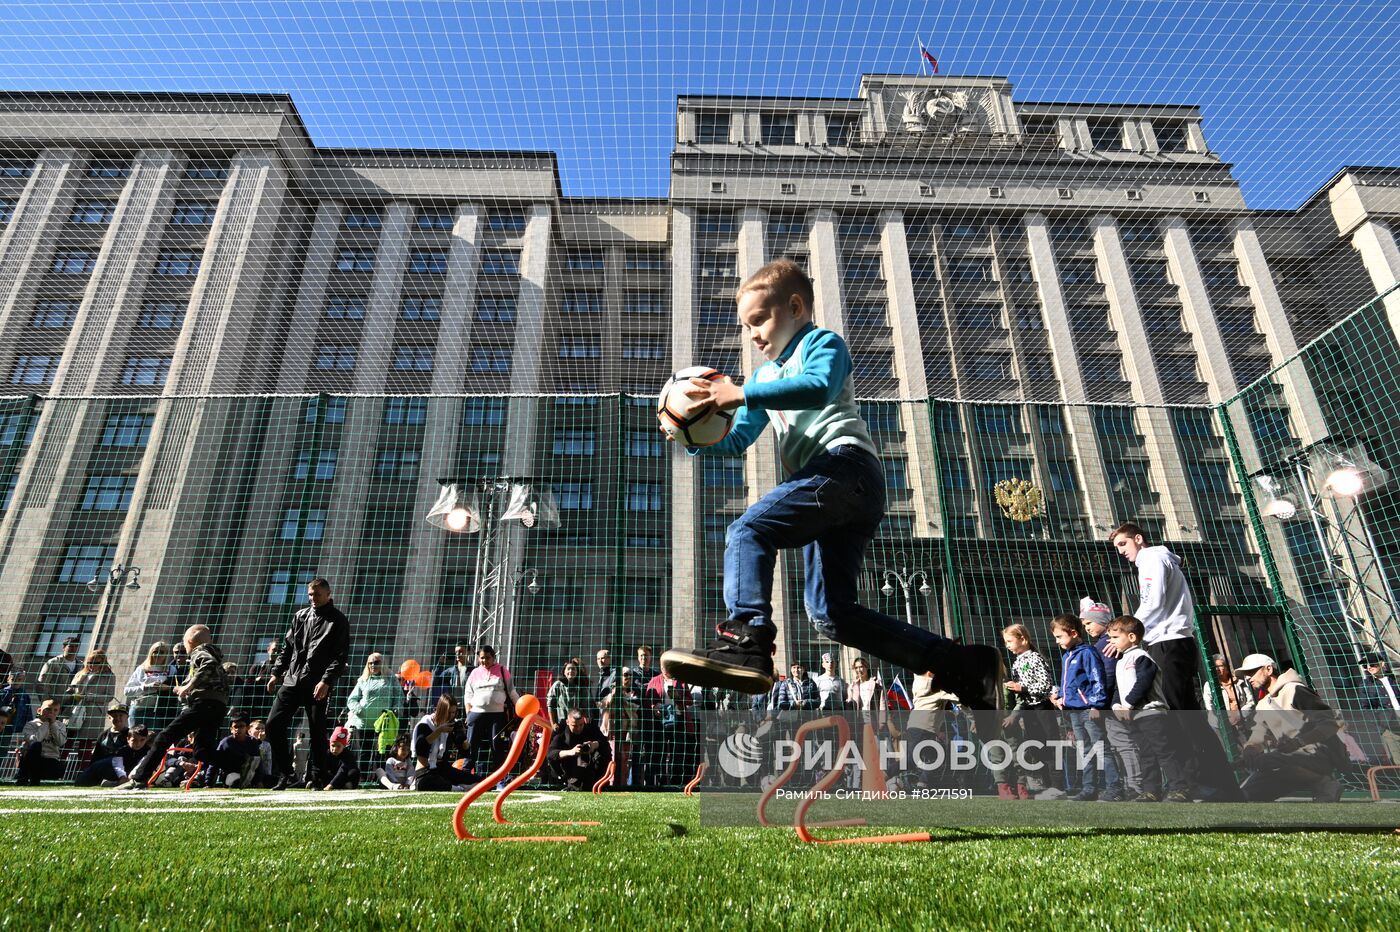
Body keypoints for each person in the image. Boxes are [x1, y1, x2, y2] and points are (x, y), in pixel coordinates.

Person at [658, 260, 1002, 709]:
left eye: (760, 319)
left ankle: (747, 638)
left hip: (844, 469)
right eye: (747, 327)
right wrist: (690, 433)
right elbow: (739, 436)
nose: (754, 334)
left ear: (796, 307)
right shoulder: (763, 377)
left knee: (748, 530)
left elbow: (819, 387)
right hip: (829, 491)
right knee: (831, 615)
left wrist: (739, 393)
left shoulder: (821, 343)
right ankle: (962, 665)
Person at [115, 625, 230, 791]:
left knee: (163, 737)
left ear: (189, 642)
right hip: (218, 706)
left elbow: (208, 665)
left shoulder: (199, 651)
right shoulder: (214, 654)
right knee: (202, 751)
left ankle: (139, 779)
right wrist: (184, 689)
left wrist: (187, 687)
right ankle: (242, 761)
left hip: (204, 704)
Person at [264, 577, 350, 790]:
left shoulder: (338, 620)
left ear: (328, 595)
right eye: (310, 594)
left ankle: (317, 778)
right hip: (292, 680)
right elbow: (288, 648)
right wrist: (276, 673)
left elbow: (340, 656)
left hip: (317, 684)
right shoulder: (300, 616)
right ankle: (287, 774)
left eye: (317, 594)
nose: (312, 598)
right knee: (273, 725)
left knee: (317, 731)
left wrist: (326, 681)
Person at [1235, 654, 1346, 803]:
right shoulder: (1262, 704)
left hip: (1319, 754)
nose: (1248, 678)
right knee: (1245, 794)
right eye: (1245, 675)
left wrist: (1298, 742)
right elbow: (1259, 734)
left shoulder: (1295, 690)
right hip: (1286, 760)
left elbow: (1330, 724)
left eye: (1251, 672)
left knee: (1267, 761)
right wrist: (1250, 748)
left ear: (1268, 669)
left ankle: (1325, 784)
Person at [1106, 616, 1191, 803]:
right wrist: (1116, 705)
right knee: (1146, 753)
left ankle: (1180, 788)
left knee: (1163, 751)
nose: (1110, 641)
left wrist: (1127, 704)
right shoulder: (1121, 661)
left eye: (1114, 637)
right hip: (1135, 716)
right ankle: (1151, 790)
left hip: (1151, 714)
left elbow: (1143, 682)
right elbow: (1118, 688)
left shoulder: (1142, 657)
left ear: (1132, 637)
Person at [1048, 615, 1109, 801]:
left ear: (1073, 633)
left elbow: (1096, 679)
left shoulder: (1087, 653)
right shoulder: (1068, 655)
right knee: (1085, 749)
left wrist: (1096, 705)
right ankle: (1089, 788)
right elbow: (1072, 684)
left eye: (1059, 637)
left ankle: (1114, 787)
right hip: (1074, 712)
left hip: (1088, 710)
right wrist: (1061, 698)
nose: (1057, 642)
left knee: (1101, 748)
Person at [999, 624, 1056, 799]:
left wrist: (1021, 687)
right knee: (1035, 746)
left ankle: (1056, 785)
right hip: (1029, 709)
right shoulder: (1018, 661)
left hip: (1041, 708)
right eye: (1005, 642)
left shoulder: (1034, 658)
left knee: (1048, 745)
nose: (1007, 645)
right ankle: (1044, 785)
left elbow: (1045, 685)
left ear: (1023, 639)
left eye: (1010, 641)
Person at [1078, 599, 1124, 802]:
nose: (1087, 628)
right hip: (1104, 703)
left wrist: (1097, 703)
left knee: (1114, 746)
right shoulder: (1100, 644)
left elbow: (1105, 674)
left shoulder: (1105, 644)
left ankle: (1121, 787)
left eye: (1089, 623)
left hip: (1108, 704)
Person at [463, 645, 519, 782]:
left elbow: (512, 691)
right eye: (482, 658)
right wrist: (468, 714)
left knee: (497, 746)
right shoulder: (474, 673)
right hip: (476, 714)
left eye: (487, 658)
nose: (484, 661)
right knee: (472, 744)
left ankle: (500, 777)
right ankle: (465, 774)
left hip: (497, 715)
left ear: (493, 657)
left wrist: (520, 707)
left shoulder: (502, 670)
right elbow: (468, 695)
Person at [344, 652, 399, 771]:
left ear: (383, 663)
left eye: (376, 662)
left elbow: (398, 696)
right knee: (365, 752)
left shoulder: (391, 679)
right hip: (364, 722)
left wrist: (396, 709)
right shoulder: (363, 680)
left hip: (383, 722)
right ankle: (363, 779)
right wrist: (359, 710)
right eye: (370, 663)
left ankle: (379, 779)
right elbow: (351, 699)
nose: (373, 665)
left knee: (381, 751)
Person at [412, 694, 470, 792]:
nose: (451, 716)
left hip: (441, 769)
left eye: (454, 712)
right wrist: (439, 731)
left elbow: (465, 752)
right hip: (425, 771)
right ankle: (455, 788)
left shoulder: (452, 725)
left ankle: (458, 786)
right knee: (427, 783)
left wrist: (464, 736)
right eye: (449, 713)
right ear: (441, 710)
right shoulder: (425, 724)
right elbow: (420, 748)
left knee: (478, 781)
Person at [546, 708, 612, 790]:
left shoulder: (591, 729)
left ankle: (600, 783)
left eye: (581, 725)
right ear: (567, 722)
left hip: (591, 768)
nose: (578, 728)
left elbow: (606, 746)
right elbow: (550, 754)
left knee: (603, 752)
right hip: (568, 768)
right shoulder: (560, 732)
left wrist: (595, 745)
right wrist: (571, 752)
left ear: (584, 721)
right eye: (574, 726)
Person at [123, 642, 180, 732]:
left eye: (162, 652)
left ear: (166, 654)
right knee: (135, 737)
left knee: (153, 739)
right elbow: (127, 691)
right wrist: (146, 687)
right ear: (151, 653)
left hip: (159, 710)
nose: (158, 654)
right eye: (155, 651)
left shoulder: (171, 669)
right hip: (139, 708)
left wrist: (165, 687)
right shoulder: (141, 669)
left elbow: (177, 688)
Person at [601, 667, 643, 787]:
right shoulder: (610, 692)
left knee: (625, 760)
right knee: (612, 758)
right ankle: (610, 783)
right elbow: (603, 705)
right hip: (612, 731)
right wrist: (614, 694)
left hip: (627, 732)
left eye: (630, 675)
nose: (628, 677)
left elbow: (635, 707)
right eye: (625, 675)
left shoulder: (635, 692)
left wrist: (622, 699)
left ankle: (622, 784)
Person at [65, 649, 116, 742]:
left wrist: (89, 696)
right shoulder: (81, 673)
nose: (92, 665)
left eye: (95, 662)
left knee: (86, 743)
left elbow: (109, 696)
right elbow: (70, 690)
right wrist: (72, 695)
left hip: (94, 712)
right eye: (89, 662)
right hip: (75, 710)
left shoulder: (109, 676)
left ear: (103, 662)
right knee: (67, 740)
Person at [73, 701, 129, 785]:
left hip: (124, 767)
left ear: (127, 717)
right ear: (109, 718)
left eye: (121, 715)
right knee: (80, 782)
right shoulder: (103, 735)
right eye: (114, 716)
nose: (118, 718)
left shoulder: (131, 734)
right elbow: (96, 756)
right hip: (104, 766)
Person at [15, 699, 67, 784]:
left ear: (58, 712)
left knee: (58, 769)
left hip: (50, 759)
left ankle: (36, 777)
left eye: (55, 710)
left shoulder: (60, 725)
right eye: (48, 709)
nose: (51, 713)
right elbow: (34, 741)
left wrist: (53, 724)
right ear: (39, 710)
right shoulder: (31, 724)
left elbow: (60, 742)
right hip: (32, 760)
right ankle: (25, 778)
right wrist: (46, 724)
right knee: (36, 745)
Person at [214, 713, 262, 788]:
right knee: (235, 781)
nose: (238, 729)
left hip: (250, 775)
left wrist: (259, 781)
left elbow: (258, 764)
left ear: (247, 728)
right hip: (230, 776)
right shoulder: (225, 742)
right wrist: (208, 782)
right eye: (235, 727)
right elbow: (214, 762)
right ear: (231, 729)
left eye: (241, 726)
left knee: (273, 780)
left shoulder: (253, 742)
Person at [36, 637, 82, 703]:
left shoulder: (81, 666)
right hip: (53, 706)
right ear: (64, 647)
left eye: (76, 646)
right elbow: (41, 684)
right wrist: (47, 703)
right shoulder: (53, 663)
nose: (74, 649)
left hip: (71, 706)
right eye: (71, 646)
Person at [547, 660, 588, 727]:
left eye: (573, 669)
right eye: (568, 669)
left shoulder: (582, 687)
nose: (571, 671)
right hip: (561, 724)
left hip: (577, 725)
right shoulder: (557, 685)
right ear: (564, 671)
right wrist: (553, 723)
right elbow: (550, 705)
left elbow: (585, 706)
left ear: (577, 672)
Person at [248, 719, 275, 788]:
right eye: (257, 728)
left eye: (262, 728)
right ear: (249, 731)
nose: (260, 730)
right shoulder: (247, 741)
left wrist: (268, 776)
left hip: (261, 773)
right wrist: (259, 741)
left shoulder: (267, 745)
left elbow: (268, 761)